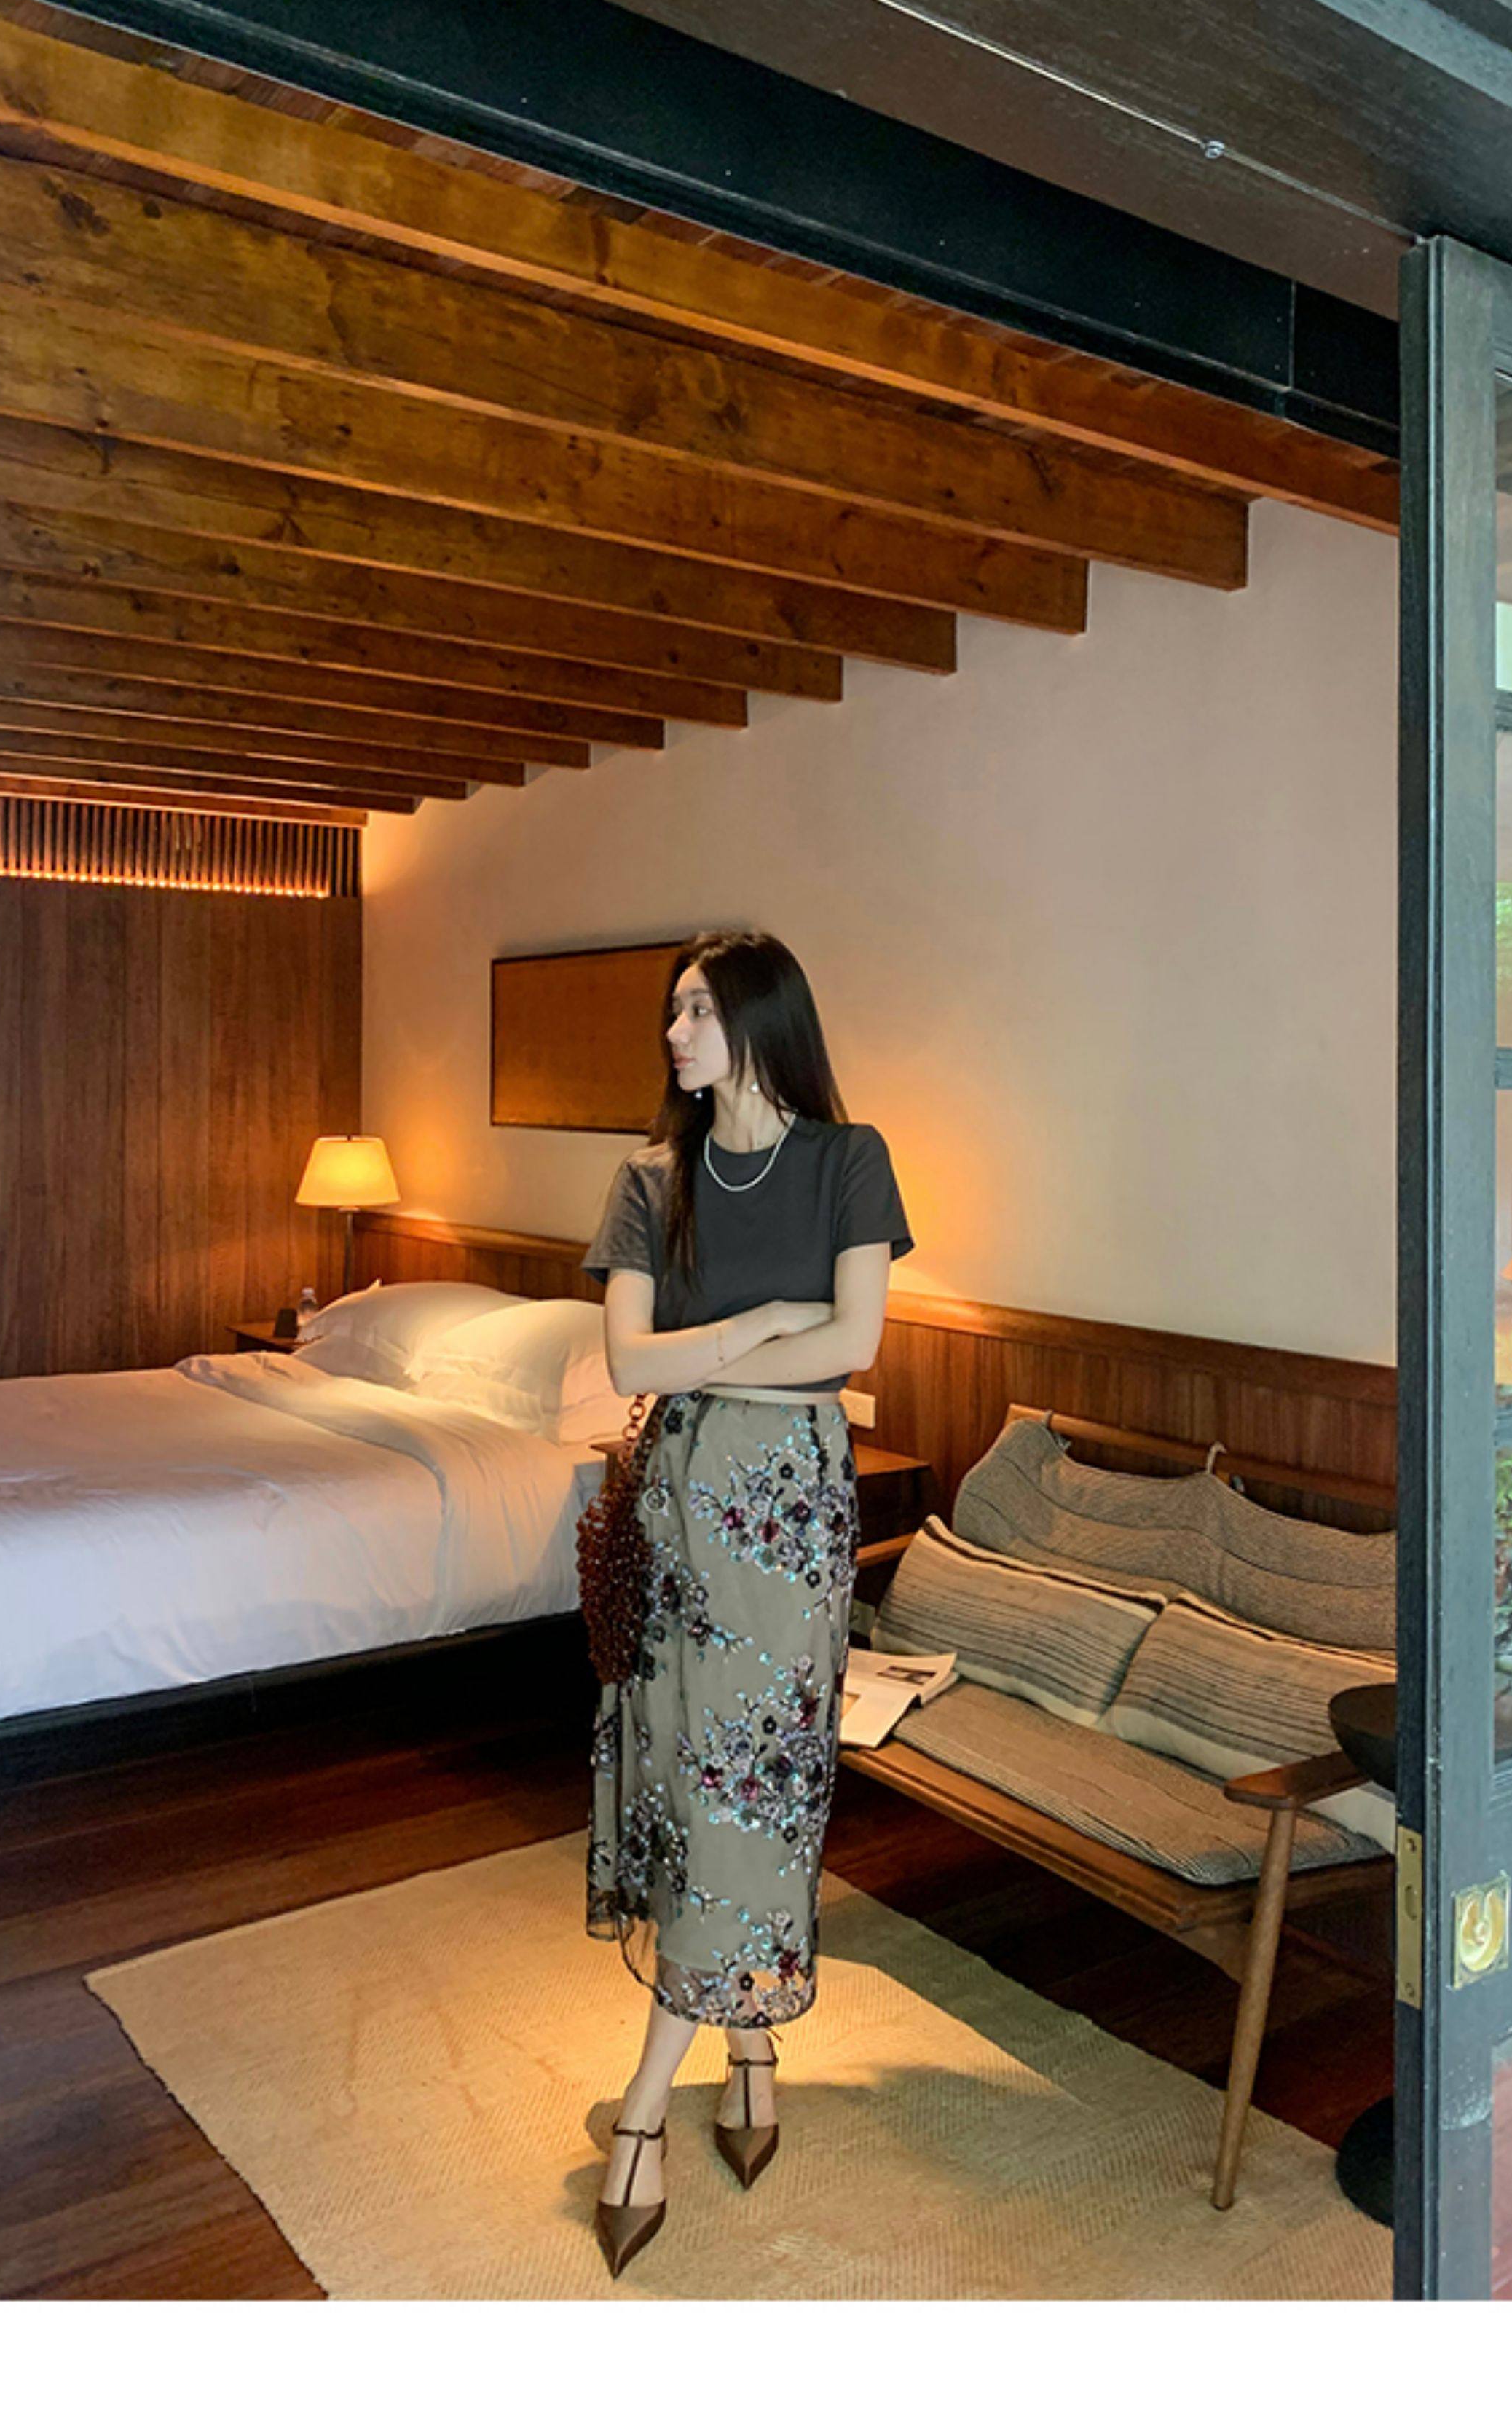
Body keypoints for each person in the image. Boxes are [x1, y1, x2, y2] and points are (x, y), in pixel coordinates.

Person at [579, 926, 913, 2278]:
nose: (674, 1033)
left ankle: (646, 2105)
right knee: (685, 1775)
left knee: (756, 1781)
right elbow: (625, 1366)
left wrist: (706, 1355)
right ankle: (750, 2046)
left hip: (788, 1508)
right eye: (673, 1011)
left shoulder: (850, 1159)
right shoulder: (650, 1181)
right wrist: (761, 1328)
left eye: (698, 1010)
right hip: (677, 1498)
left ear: (763, 1022)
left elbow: (857, 1341)